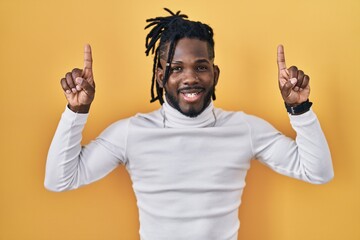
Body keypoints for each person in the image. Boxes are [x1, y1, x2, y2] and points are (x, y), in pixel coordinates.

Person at [45, 8, 334, 240]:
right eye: (176, 68)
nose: (190, 78)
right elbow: (59, 180)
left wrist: (299, 108)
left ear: (215, 74)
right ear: (160, 76)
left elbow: (317, 172)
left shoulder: (245, 129)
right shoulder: (131, 133)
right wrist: (76, 110)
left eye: (200, 67)